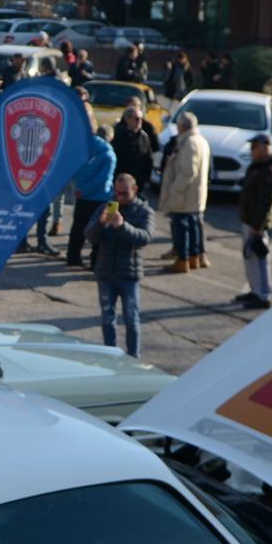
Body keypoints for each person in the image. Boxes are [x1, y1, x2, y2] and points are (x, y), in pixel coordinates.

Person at [88, 172, 155, 357]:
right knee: (107, 319)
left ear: (135, 190)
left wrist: (122, 226)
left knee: (131, 320)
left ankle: (134, 358)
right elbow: (89, 236)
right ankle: (110, 355)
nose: (120, 197)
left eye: (125, 193)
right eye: (117, 193)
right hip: (105, 273)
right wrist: (101, 223)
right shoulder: (105, 207)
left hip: (129, 275)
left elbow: (145, 237)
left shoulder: (144, 211)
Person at [159, 111, 211, 272]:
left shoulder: (189, 143)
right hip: (195, 194)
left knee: (181, 227)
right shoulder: (200, 140)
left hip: (184, 195)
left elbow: (188, 171)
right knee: (193, 225)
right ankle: (194, 258)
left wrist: (175, 188)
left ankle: (182, 260)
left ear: (182, 126)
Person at [236, 133, 272, 309]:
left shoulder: (269, 170)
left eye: (254, 146)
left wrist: (258, 226)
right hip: (250, 218)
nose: (251, 150)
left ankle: (263, 295)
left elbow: (266, 202)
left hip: (256, 222)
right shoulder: (260, 166)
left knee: (259, 259)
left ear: (265, 147)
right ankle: (255, 290)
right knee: (250, 258)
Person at [66, 126, 117, 268]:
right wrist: (85, 190)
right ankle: (96, 262)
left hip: (81, 196)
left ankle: (73, 257)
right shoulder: (109, 155)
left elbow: (73, 169)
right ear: (110, 138)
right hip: (101, 198)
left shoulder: (84, 149)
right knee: (99, 230)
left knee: (78, 228)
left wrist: (80, 189)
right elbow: (103, 179)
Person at [111, 103, 157, 202]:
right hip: (121, 186)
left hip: (138, 185)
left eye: (141, 119)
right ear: (127, 119)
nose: (139, 122)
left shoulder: (144, 137)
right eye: (136, 119)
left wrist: (145, 179)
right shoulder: (119, 136)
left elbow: (149, 159)